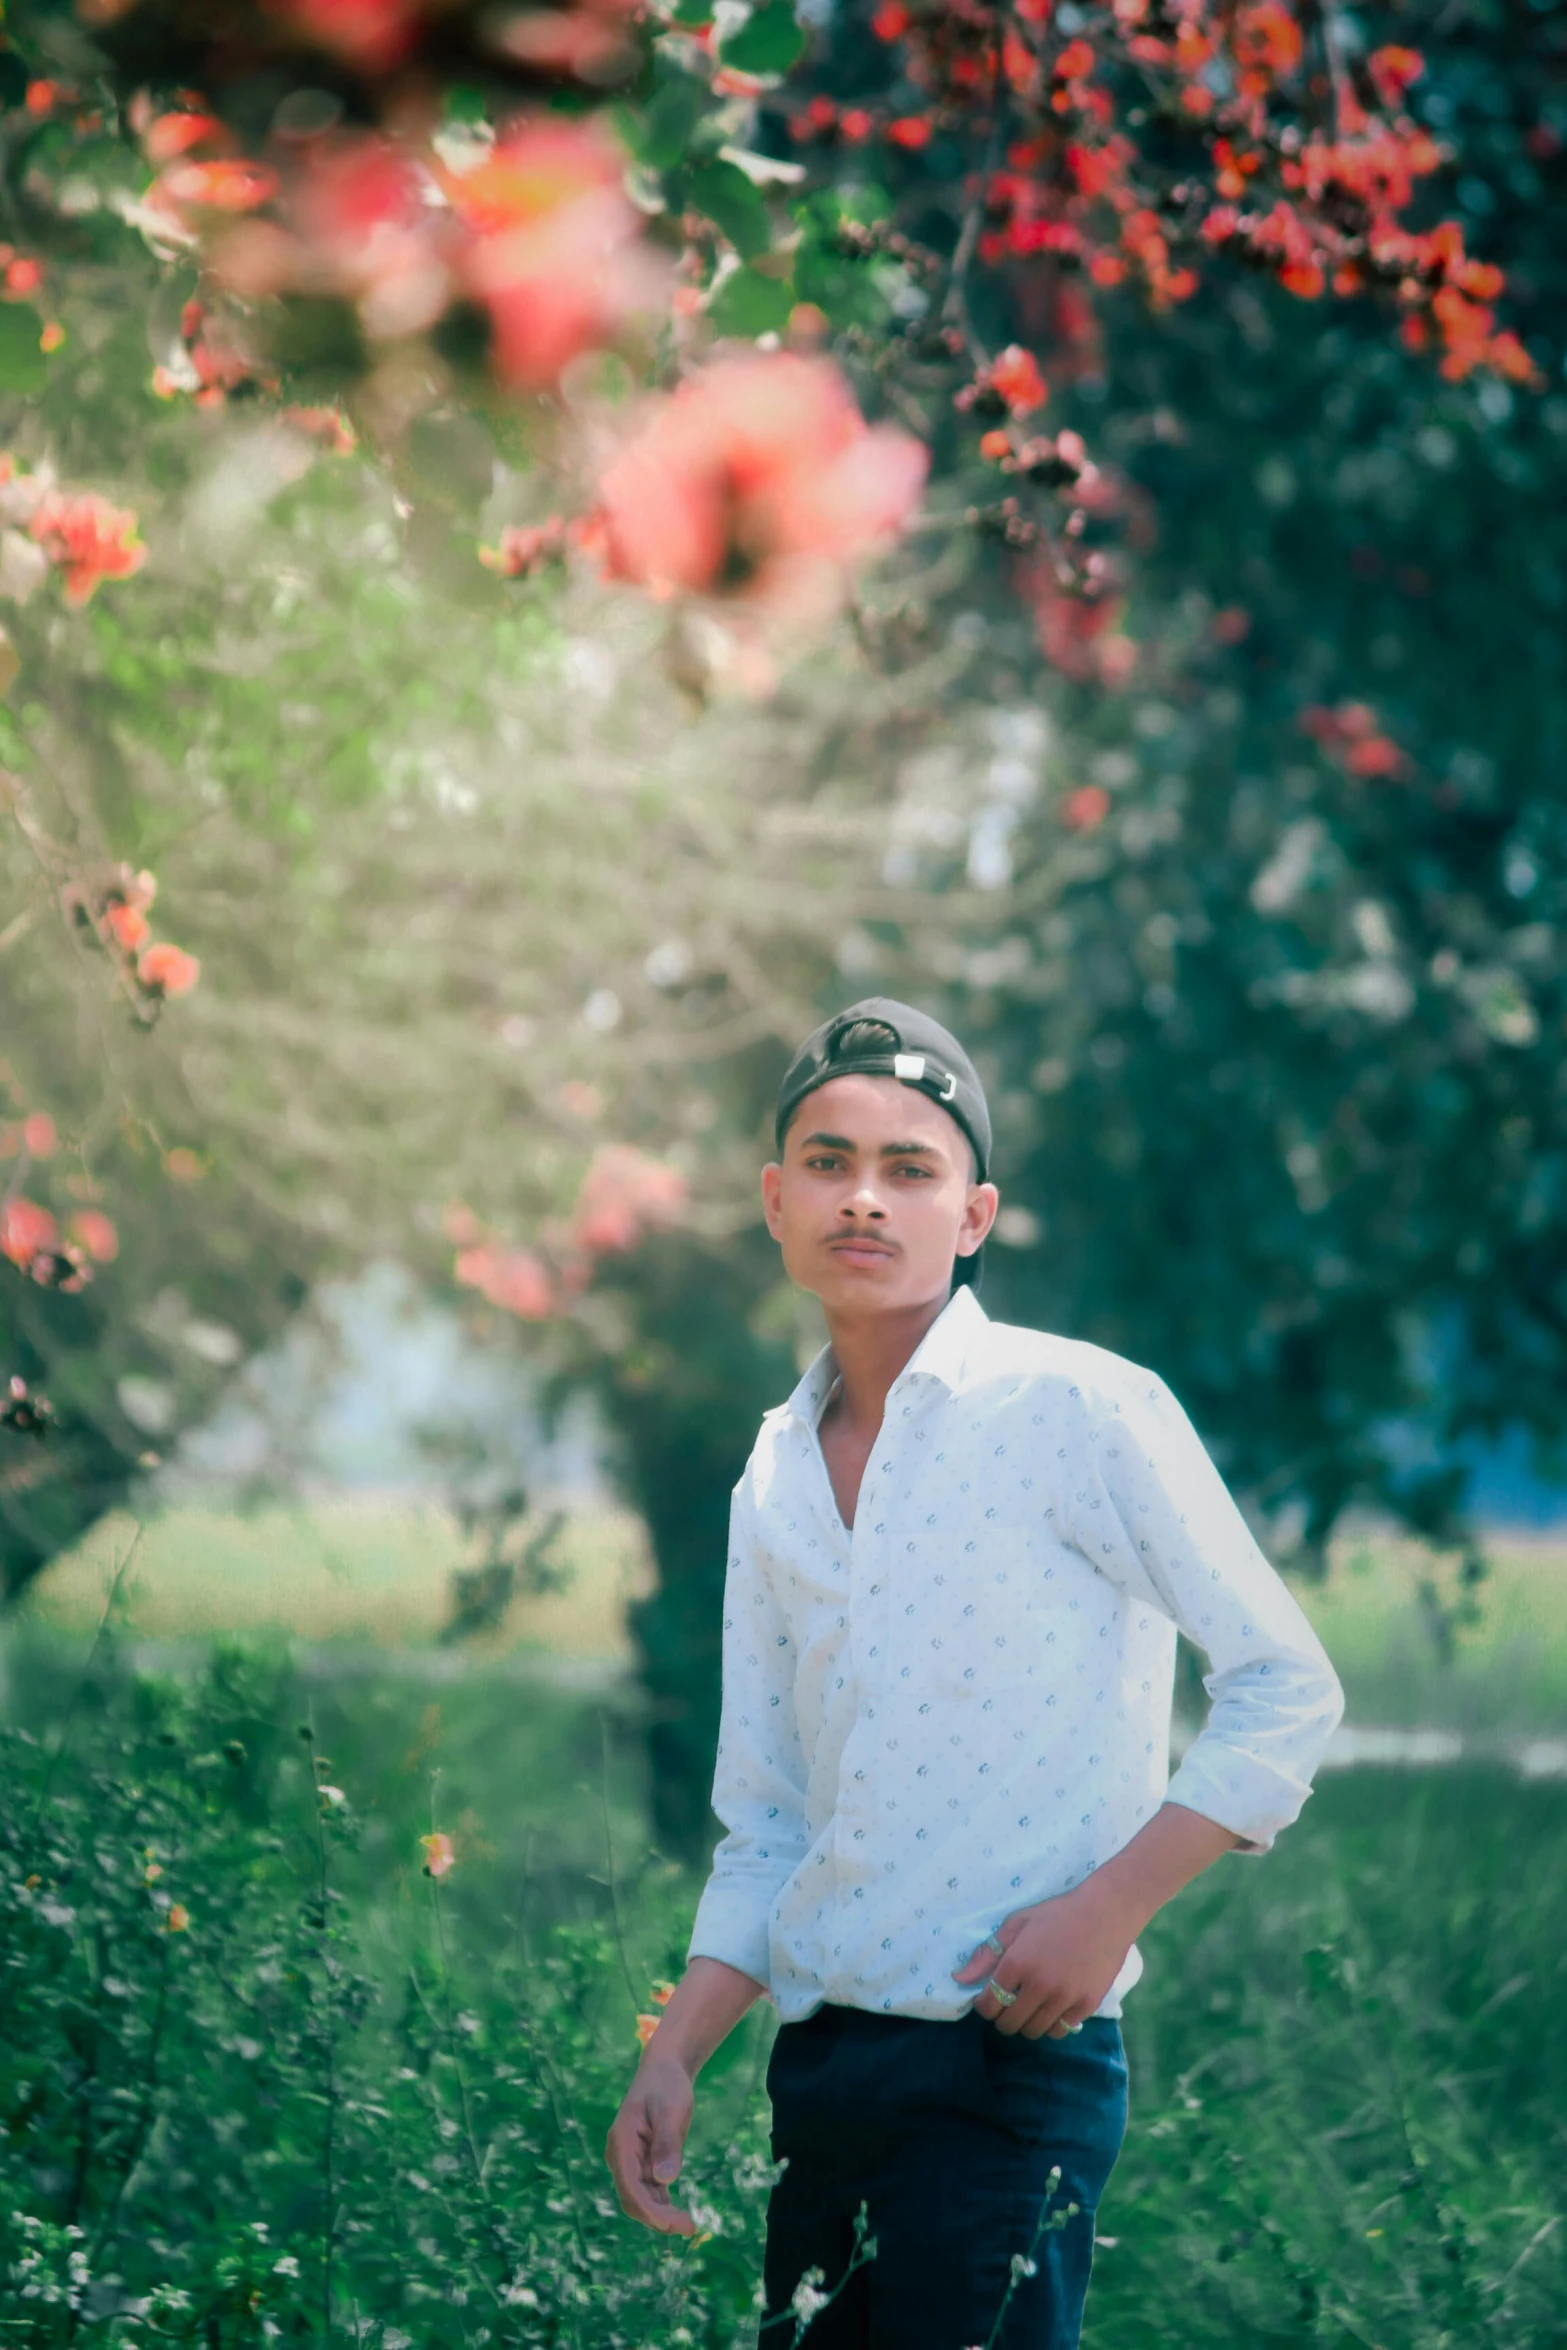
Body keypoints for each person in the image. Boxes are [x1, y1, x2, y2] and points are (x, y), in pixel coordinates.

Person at [605, 998, 1346, 2348]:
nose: (864, 1198)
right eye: (827, 1163)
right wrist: (677, 2048)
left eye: (910, 1167)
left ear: (975, 1211)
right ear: (774, 1201)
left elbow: (1284, 1685)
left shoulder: (1078, 1409)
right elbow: (768, 1818)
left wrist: (1108, 1909)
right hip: (821, 2075)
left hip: (1008, 2070)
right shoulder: (768, 1476)